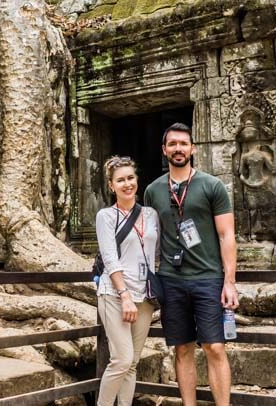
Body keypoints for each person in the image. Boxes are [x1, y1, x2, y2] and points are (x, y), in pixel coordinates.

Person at [143, 123, 238, 406]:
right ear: (164, 150)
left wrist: (229, 282)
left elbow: (227, 235)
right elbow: (149, 237)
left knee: (214, 346)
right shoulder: (152, 190)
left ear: (192, 148)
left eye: (183, 144)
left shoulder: (212, 185)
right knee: (182, 348)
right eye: (172, 144)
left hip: (208, 277)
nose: (178, 149)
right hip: (171, 279)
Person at [95, 155, 159, 406]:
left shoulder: (151, 214)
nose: (127, 184)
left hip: (144, 295)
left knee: (132, 363)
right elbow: (110, 258)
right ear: (111, 186)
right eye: (120, 180)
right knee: (121, 360)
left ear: (137, 180)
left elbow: (156, 252)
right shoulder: (106, 216)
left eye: (130, 178)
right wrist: (125, 296)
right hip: (116, 294)